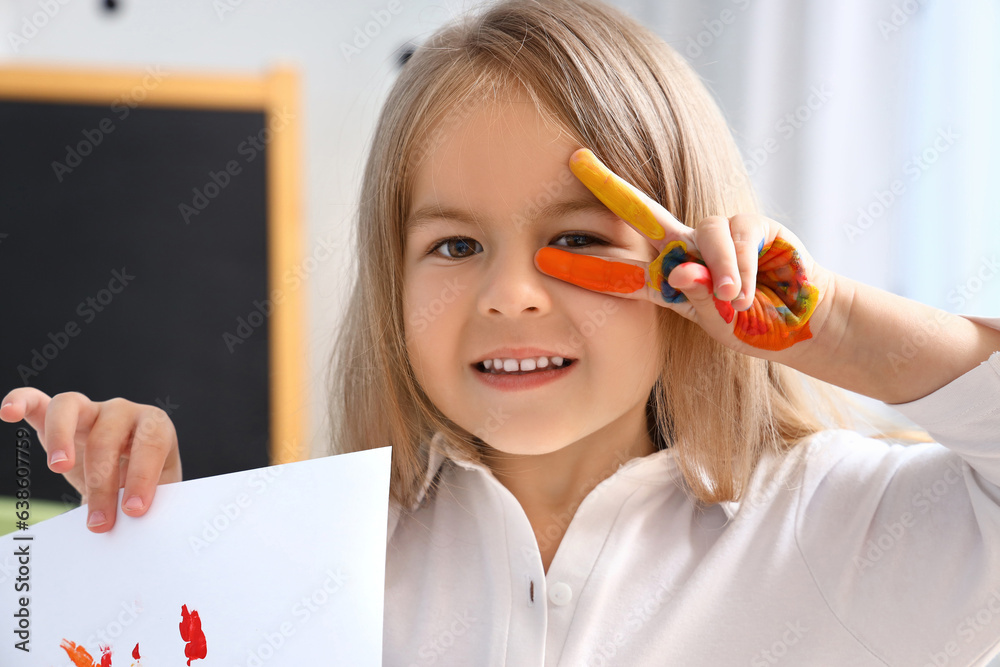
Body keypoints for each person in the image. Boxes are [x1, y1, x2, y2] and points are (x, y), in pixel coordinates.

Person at [3, 0, 1000, 664]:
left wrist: (835, 325)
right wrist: (148, 559)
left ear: (694, 265)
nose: (510, 294)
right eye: (453, 246)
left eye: (573, 238)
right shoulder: (316, 564)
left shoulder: (841, 527)